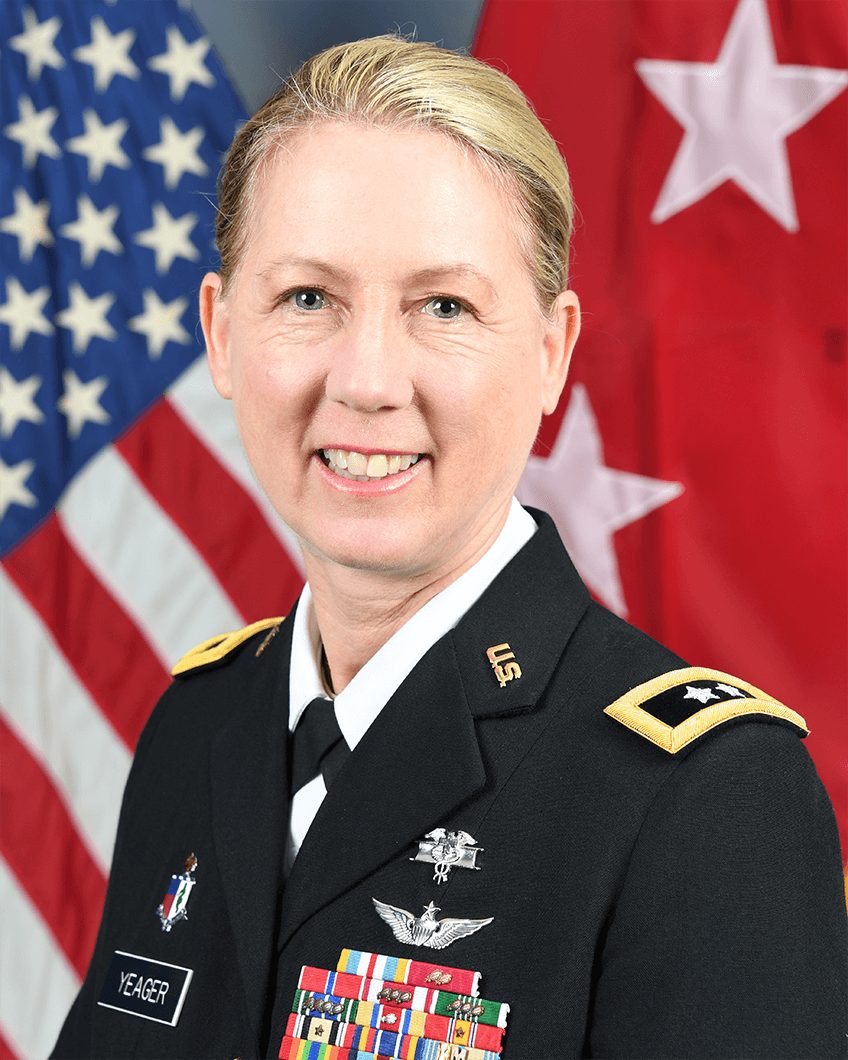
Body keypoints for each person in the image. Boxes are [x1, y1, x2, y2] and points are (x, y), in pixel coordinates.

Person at [52, 35, 847, 1060]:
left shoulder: (704, 800)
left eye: (443, 306)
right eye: (307, 298)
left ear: (552, 350)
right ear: (220, 334)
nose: (369, 379)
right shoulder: (196, 729)